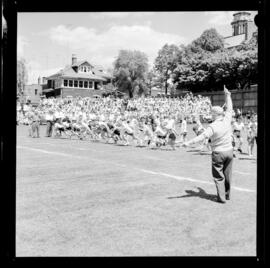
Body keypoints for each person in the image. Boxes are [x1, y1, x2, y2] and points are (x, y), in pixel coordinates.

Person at [183, 85, 233, 203]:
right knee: (227, 175)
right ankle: (227, 195)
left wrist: (189, 142)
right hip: (229, 151)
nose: (210, 115)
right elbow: (230, 107)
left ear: (215, 114)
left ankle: (221, 198)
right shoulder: (227, 119)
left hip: (218, 153)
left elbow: (202, 137)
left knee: (218, 176)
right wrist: (227, 95)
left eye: (211, 113)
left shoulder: (213, 126)